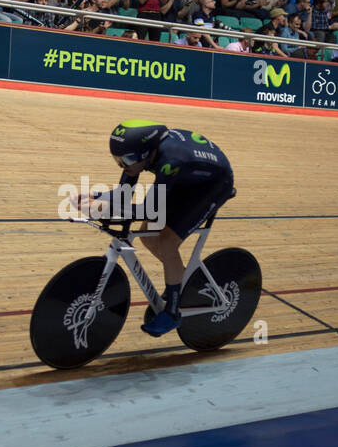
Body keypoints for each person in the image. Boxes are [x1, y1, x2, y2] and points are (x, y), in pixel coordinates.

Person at [76, 123, 235, 337]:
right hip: (187, 178)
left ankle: (172, 312)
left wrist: (103, 209)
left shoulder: (171, 160)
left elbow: (149, 210)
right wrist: (97, 197)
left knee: (168, 242)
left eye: (128, 160)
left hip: (212, 186)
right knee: (149, 237)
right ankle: (180, 280)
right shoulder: (140, 157)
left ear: (146, 153)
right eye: (118, 161)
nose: (124, 166)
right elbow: (124, 194)